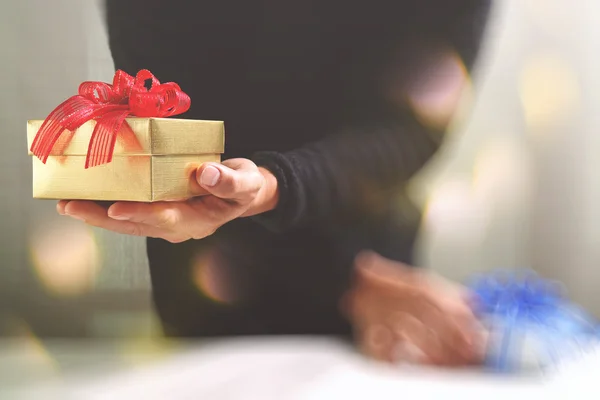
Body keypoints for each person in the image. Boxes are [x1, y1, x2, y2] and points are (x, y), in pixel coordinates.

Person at [59, 0, 492, 366]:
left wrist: (279, 186)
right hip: (214, 287)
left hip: (376, 284)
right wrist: (341, 280)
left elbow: (411, 125)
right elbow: (165, 105)